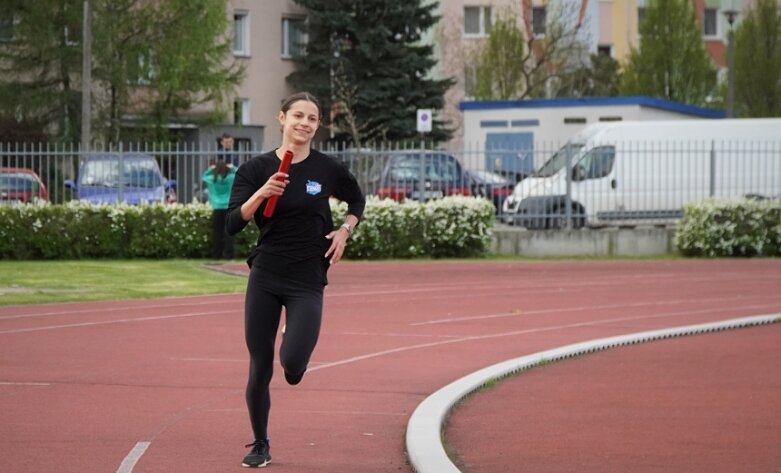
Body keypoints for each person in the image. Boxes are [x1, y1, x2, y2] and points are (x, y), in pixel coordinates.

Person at [225, 92, 365, 468]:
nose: (304, 123)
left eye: (312, 118)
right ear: (282, 118)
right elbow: (232, 223)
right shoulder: (254, 169)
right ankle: (260, 443)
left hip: (307, 277)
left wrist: (344, 231)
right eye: (298, 116)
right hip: (267, 275)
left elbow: (357, 201)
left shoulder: (327, 168)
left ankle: (294, 347)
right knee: (260, 364)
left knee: (293, 366)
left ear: (317, 126)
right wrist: (261, 192)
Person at [202, 160, 238, 259]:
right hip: (227, 207)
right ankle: (229, 254)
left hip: (217, 207)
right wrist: (232, 167)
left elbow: (204, 176)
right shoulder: (230, 178)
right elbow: (238, 172)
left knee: (217, 233)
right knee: (228, 232)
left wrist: (211, 169)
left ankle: (216, 255)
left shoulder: (212, 179)